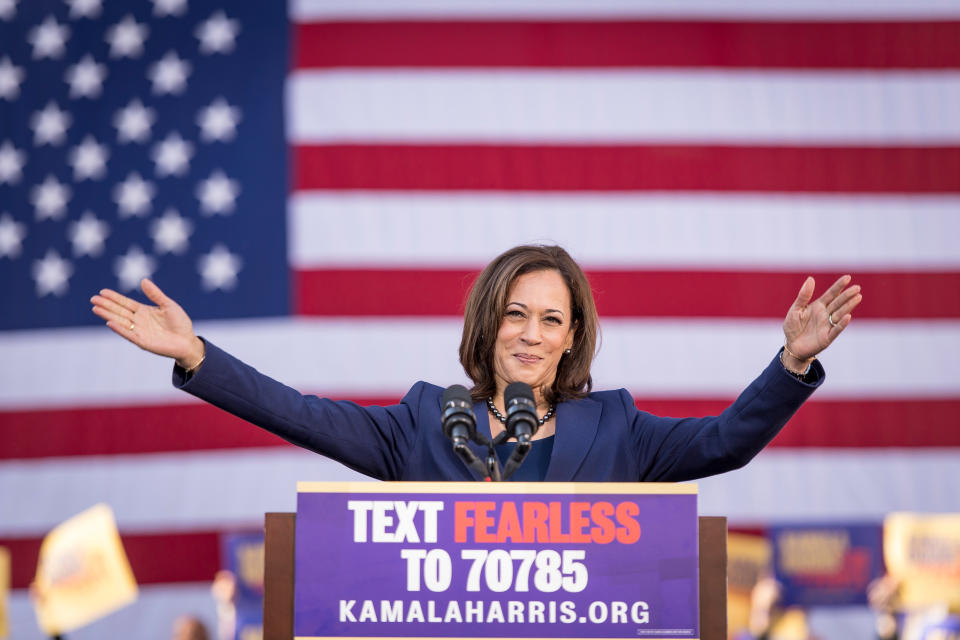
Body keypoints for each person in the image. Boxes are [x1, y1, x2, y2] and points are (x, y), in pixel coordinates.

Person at [90, 244, 861, 482]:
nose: (531, 333)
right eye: (516, 313)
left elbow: (724, 441)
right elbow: (300, 413)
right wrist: (197, 356)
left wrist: (790, 363)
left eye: (551, 318)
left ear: (571, 338)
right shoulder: (424, 420)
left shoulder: (618, 427)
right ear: (488, 324)